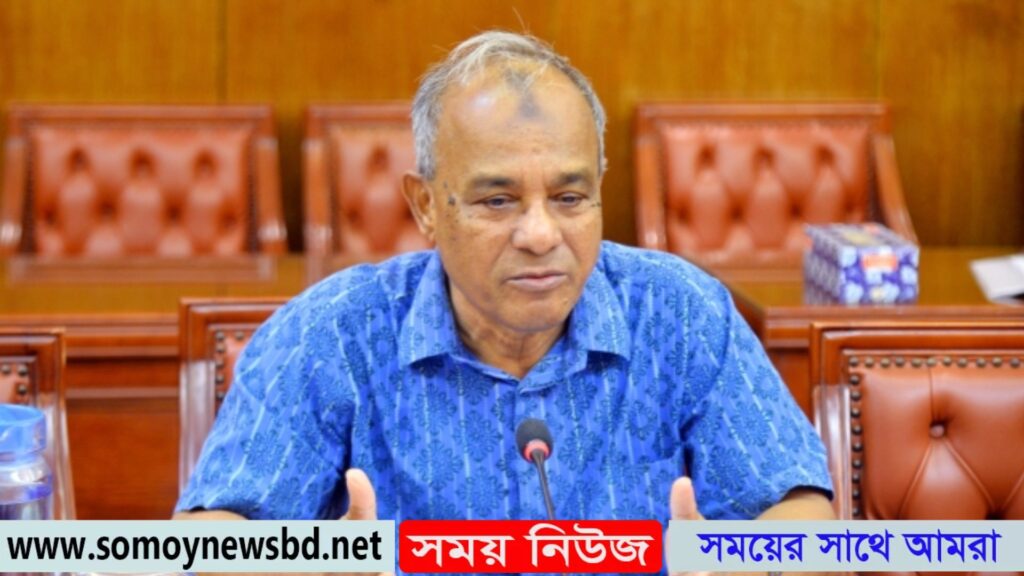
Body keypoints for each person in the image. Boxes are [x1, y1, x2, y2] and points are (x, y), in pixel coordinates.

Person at [175, 29, 833, 541]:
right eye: (497, 201)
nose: (541, 234)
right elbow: (209, 536)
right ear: (426, 205)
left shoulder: (682, 314)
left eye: (570, 198)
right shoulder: (333, 332)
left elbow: (802, 515)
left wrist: (749, 564)